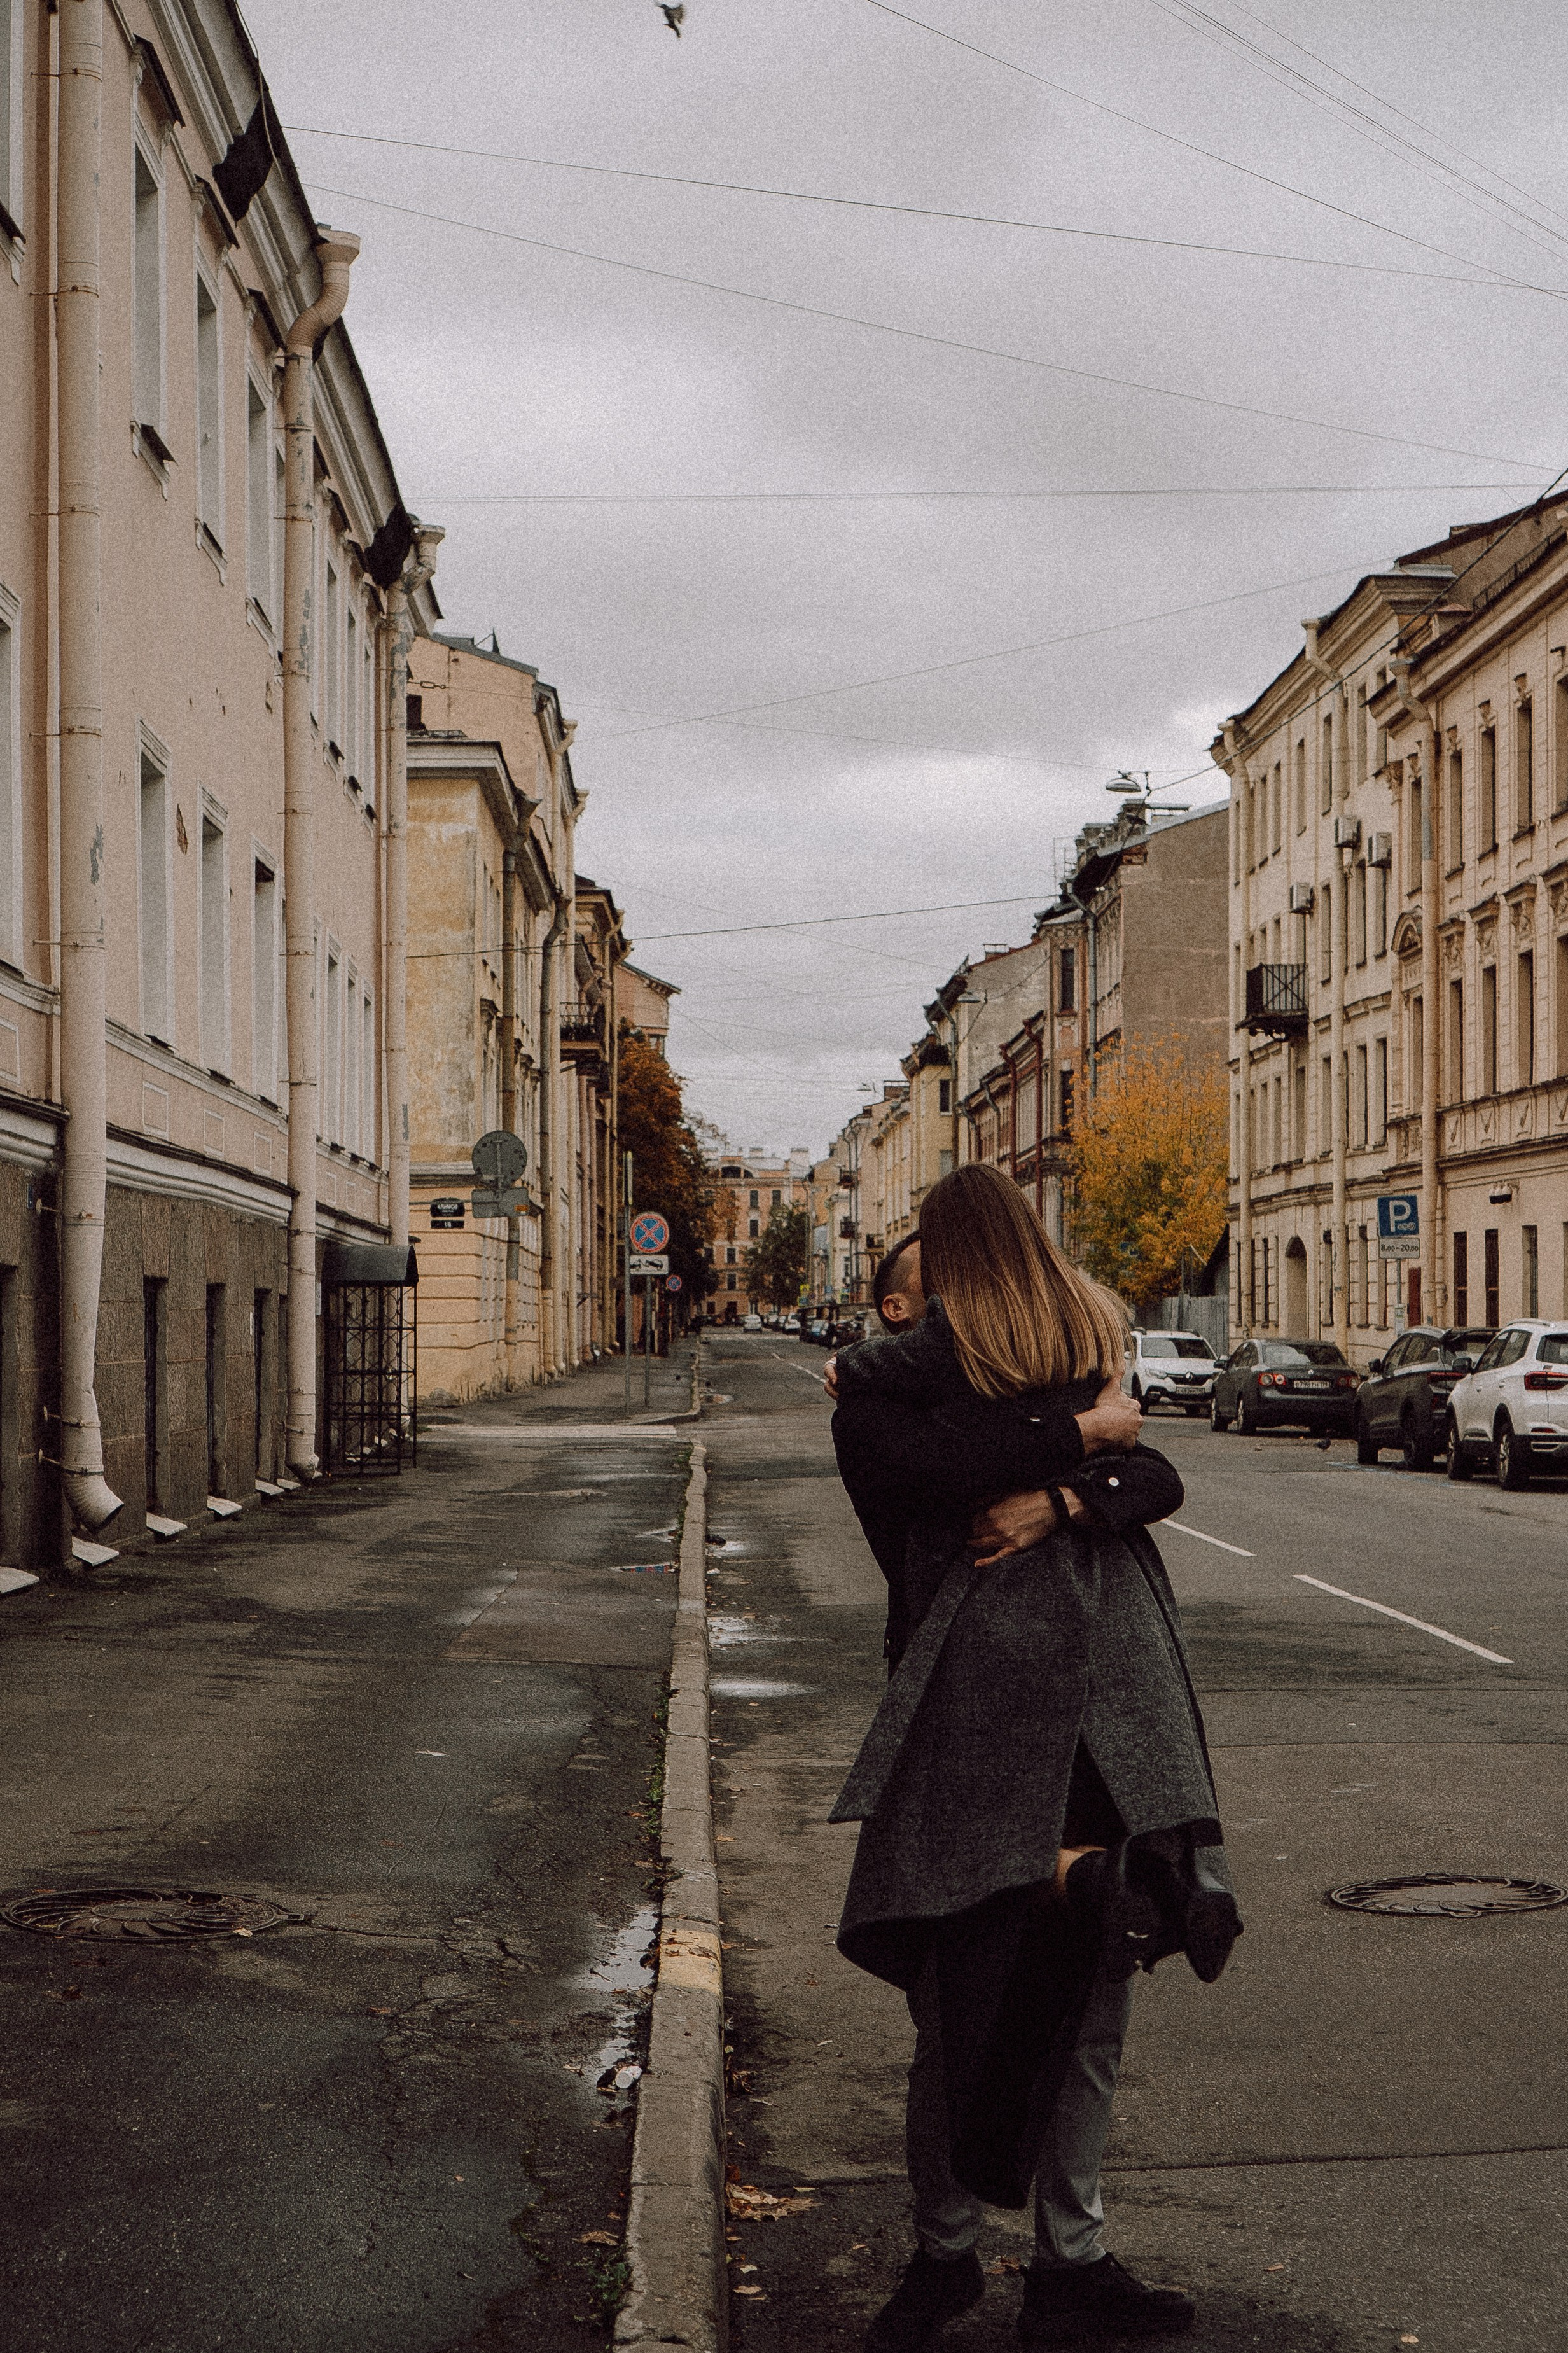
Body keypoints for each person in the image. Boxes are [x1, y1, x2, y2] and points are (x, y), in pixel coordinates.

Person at [829, 1166, 1240, 2350]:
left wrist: (1062, 1493)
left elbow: (1154, 1474)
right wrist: (1080, 1437)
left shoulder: (978, 1379)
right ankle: (948, 2249)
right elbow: (933, 1465)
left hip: (1091, 1723)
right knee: (960, 2001)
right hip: (971, 1722)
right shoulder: (888, 1402)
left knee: (1085, 2004)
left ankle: (1066, 2258)